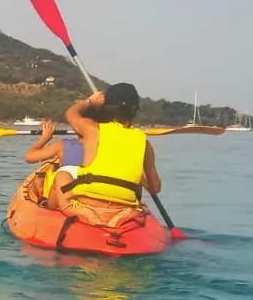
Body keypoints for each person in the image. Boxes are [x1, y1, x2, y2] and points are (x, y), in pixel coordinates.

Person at [22, 82, 161, 228]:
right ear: (134, 111)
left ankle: (58, 210)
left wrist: (90, 101)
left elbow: (70, 113)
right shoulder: (145, 143)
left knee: (62, 175)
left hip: (88, 207)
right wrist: (140, 179)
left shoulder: (93, 130)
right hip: (124, 211)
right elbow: (155, 188)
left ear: (106, 107)